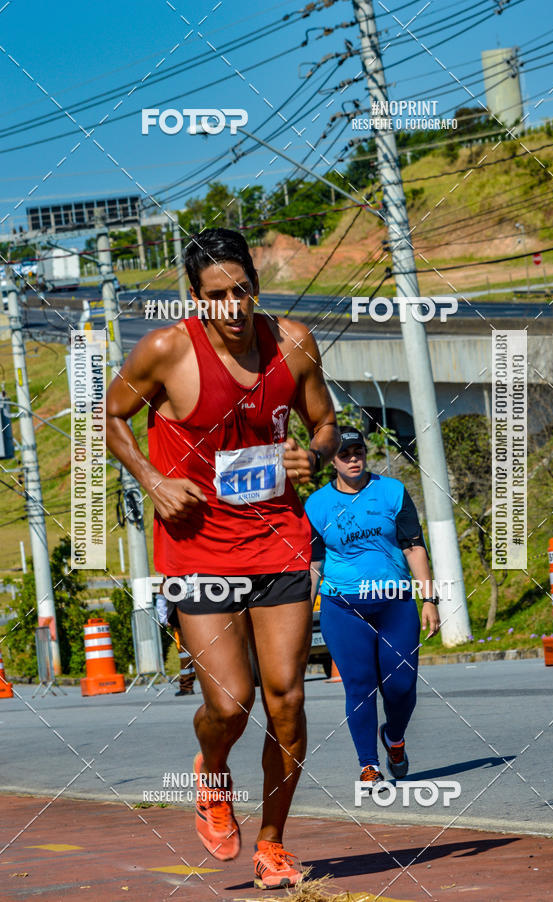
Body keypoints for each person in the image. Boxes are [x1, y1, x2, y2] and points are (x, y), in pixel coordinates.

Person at [106, 227, 339, 890]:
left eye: (243, 291)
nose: (233, 307)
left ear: (256, 289)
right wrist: (152, 481)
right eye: (217, 296)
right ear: (196, 298)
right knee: (232, 704)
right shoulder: (166, 350)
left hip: (276, 536)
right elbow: (114, 416)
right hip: (196, 542)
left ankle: (272, 842)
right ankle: (212, 773)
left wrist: (313, 454)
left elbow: (324, 422)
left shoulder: (291, 343)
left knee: (287, 699)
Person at [304, 428, 440, 787]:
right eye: (345, 454)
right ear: (332, 460)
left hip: (395, 602)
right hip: (343, 608)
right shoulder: (316, 505)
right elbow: (315, 564)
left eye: (358, 452)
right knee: (359, 685)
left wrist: (429, 598)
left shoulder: (391, 492)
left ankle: (394, 737)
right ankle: (368, 764)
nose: (353, 459)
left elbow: (413, 546)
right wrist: (302, 614)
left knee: (402, 686)